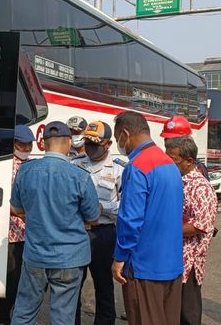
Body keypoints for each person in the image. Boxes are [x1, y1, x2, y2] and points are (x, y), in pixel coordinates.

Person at [11, 121, 100, 325]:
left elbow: (16, 208)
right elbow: (93, 217)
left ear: (43, 143)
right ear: (69, 143)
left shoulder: (25, 171)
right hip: (69, 258)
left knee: (24, 312)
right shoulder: (80, 177)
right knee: (62, 317)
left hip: (35, 255)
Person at [111, 111, 184, 325]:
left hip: (144, 266)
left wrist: (119, 257)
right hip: (171, 263)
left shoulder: (138, 166)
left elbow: (130, 220)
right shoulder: (169, 164)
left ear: (125, 134)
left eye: (118, 139)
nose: (119, 144)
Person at [71, 121, 123, 325]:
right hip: (78, 232)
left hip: (104, 233)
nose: (91, 148)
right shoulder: (75, 165)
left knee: (103, 285)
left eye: (96, 144)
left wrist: (103, 209)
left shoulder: (119, 170)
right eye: (88, 144)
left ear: (108, 144)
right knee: (73, 283)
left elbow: (126, 207)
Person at [165, 136, 219, 325]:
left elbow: (199, 226)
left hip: (188, 261)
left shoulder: (200, 188)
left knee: (187, 314)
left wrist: (163, 230)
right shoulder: (175, 181)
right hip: (170, 257)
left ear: (189, 161)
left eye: (173, 160)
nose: (169, 164)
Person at [0, 124, 34, 325]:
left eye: (28, 145)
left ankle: (7, 316)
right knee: (9, 280)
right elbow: (0, 197)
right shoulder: (4, 166)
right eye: (22, 144)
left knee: (19, 280)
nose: (25, 149)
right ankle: (2, 317)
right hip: (10, 233)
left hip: (26, 233)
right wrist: (18, 211)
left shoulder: (31, 166)